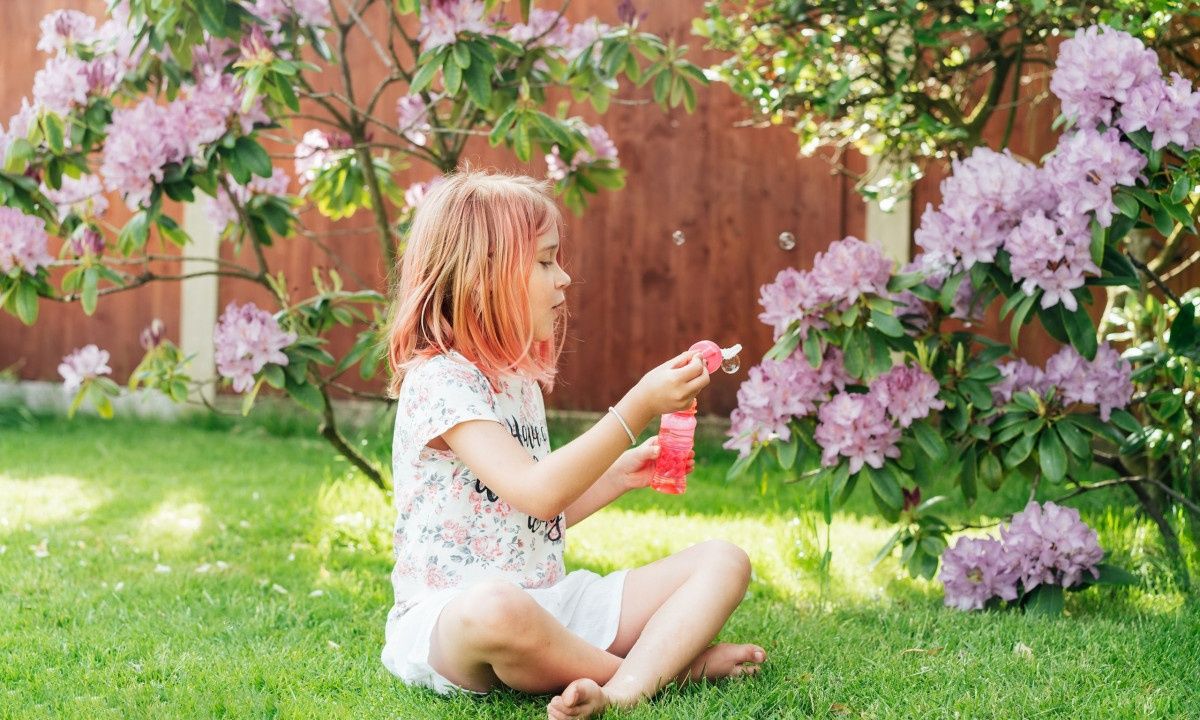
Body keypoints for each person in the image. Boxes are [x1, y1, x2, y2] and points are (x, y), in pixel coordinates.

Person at [381, 170, 765, 719]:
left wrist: (615, 477)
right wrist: (634, 408)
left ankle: (627, 686)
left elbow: (530, 519)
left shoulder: (516, 382)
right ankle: (670, 672)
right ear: (478, 276)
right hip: (455, 621)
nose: (563, 278)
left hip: (551, 605)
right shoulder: (440, 382)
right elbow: (538, 493)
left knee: (724, 561)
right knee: (498, 608)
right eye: (544, 262)